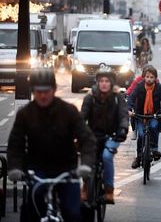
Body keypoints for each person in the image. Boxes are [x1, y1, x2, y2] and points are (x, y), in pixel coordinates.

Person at [7, 68, 96, 222]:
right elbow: (16, 144)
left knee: (73, 213)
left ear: (54, 89)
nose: (42, 95)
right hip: (37, 170)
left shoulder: (68, 111)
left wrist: (86, 165)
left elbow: (87, 139)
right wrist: (15, 168)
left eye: (46, 91)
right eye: (38, 91)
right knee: (33, 211)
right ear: (33, 91)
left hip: (66, 170)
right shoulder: (25, 114)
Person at [81, 66, 129, 204]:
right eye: (101, 80)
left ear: (112, 83)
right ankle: (85, 186)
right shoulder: (90, 97)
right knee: (88, 158)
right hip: (93, 135)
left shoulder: (117, 98)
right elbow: (82, 116)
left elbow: (123, 115)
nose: (104, 83)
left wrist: (123, 129)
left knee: (107, 157)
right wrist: (79, 131)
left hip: (112, 135)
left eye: (107, 81)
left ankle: (109, 190)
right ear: (97, 82)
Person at [128, 66, 161, 168]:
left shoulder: (159, 88)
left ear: (155, 78)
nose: (149, 79)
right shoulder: (139, 86)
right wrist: (129, 109)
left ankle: (154, 149)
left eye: (151, 77)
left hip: (154, 115)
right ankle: (138, 157)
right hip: (140, 115)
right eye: (147, 77)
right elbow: (131, 98)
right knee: (141, 134)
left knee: (154, 127)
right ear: (143, 77)